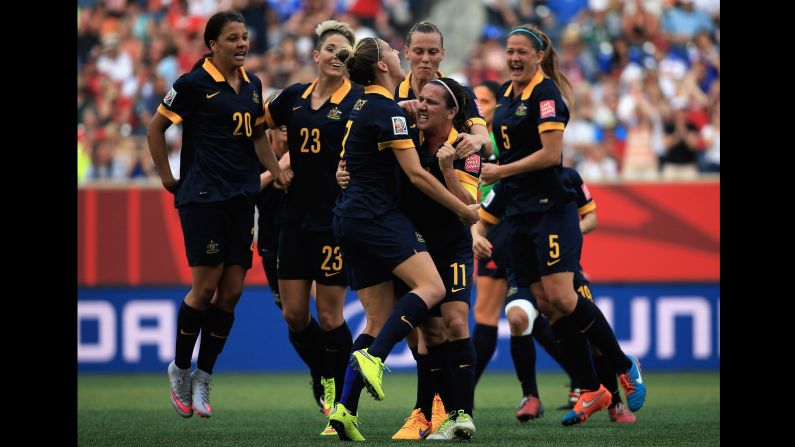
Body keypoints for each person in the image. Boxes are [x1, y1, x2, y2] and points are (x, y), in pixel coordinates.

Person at [480, 24, 646, 426]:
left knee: (564, 296)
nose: (515, 58)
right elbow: (502, 145)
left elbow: (551, 155)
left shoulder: (546, 94)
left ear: (539, 56)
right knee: (550, 309)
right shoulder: (507, 94)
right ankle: (591, 389)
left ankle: (625, 365)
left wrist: (499, 171)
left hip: (550, 208)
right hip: (518, 212)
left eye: (522, 52)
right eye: (510, 51)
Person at [325, 37, 479, 441]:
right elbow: (413, 175)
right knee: (431, 289)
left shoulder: (366, 106)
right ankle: (377, 361)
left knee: (381, 320)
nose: (399, 53)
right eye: (392, 51)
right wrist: (465, 211)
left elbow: (353, 156)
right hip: (377, 218)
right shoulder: (392, 113)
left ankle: (344, 408)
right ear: (383, 66)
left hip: (351, 217)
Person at [148, 11, 286, 419]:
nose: (242, 44)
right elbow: (156, 129)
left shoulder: (253, 85)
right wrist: (168, 177)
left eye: (244, 37)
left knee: (230, 294)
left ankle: (204, 375)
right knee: (205, 288)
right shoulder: (192, 85)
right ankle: (180, 367)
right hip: (203, 197)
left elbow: (259, 134)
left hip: (241, 198)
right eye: (232, 39)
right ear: (213, 45)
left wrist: (276, 172)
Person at [257, 20, 360, 436]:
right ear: (315, 55)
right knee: (296, 314)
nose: (337, 56)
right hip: (294, 219)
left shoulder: (357, 101)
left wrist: (354, 172)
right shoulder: (293, 97)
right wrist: (274, 169)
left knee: (331, 316)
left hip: (335, 220)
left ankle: (342, 400)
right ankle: (323, 376)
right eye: (331, 49)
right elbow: (256, 129)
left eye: (345, 53)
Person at [473, 168, 637, 423]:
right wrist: (474, 236)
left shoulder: (566, 178)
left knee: (589, 336)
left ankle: (614, 400)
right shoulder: (509, 182)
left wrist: (568, 235)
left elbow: (591, 218)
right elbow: (481, 221)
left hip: (564, 268)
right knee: (518, 318)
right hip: (522, 271)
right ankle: (536, 395)